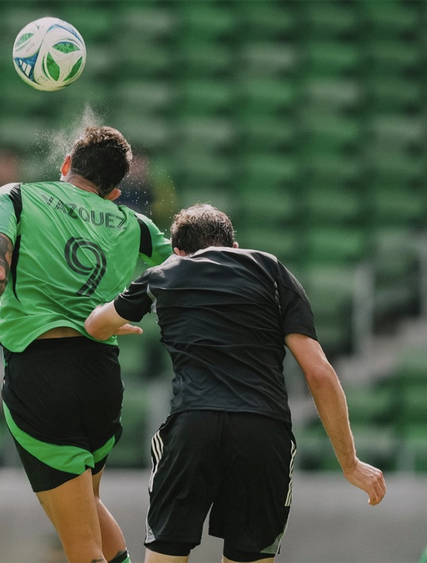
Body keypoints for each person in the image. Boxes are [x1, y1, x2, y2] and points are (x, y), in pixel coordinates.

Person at [0, 126, 173, 563]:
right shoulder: (136, 224)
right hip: (102, 378)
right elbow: (189, 267)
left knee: (81, 547)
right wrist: (125, 307)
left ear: (66, 164)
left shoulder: (15, 196)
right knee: (89, 511)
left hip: (42, 378)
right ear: (114, 190)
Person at [84, 204, 386, 563]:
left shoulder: (165, 273)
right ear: (235, 247)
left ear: (179, 252)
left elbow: (95, 325)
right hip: (263, 430)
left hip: (193, 425)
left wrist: (115, 321)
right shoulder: (272, 271)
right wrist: (349, 462)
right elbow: (319, 373)